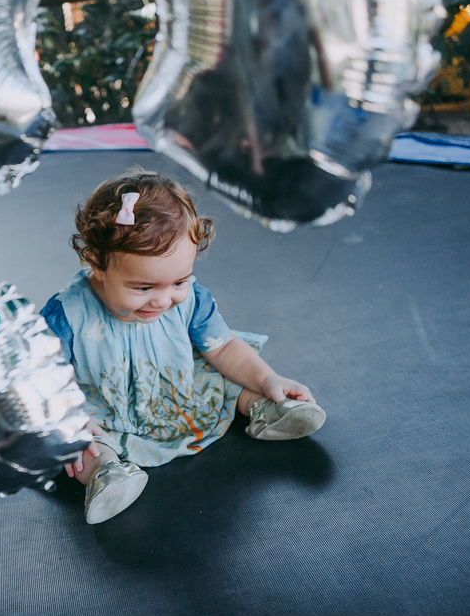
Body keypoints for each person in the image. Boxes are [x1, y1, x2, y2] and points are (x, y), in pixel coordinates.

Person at [41, 170, 326, 525]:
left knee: (217, 373)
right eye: (144, 288)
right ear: (97, 262)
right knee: (73, 440)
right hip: (105, 404)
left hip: (174, 389)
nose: (163, 300)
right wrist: (69, 418)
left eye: (179, 281)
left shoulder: (192, 300)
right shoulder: (67, 314)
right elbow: (40, 379)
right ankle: (106, 473)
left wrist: (269, 379)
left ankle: (265, 406)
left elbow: (224, 349)